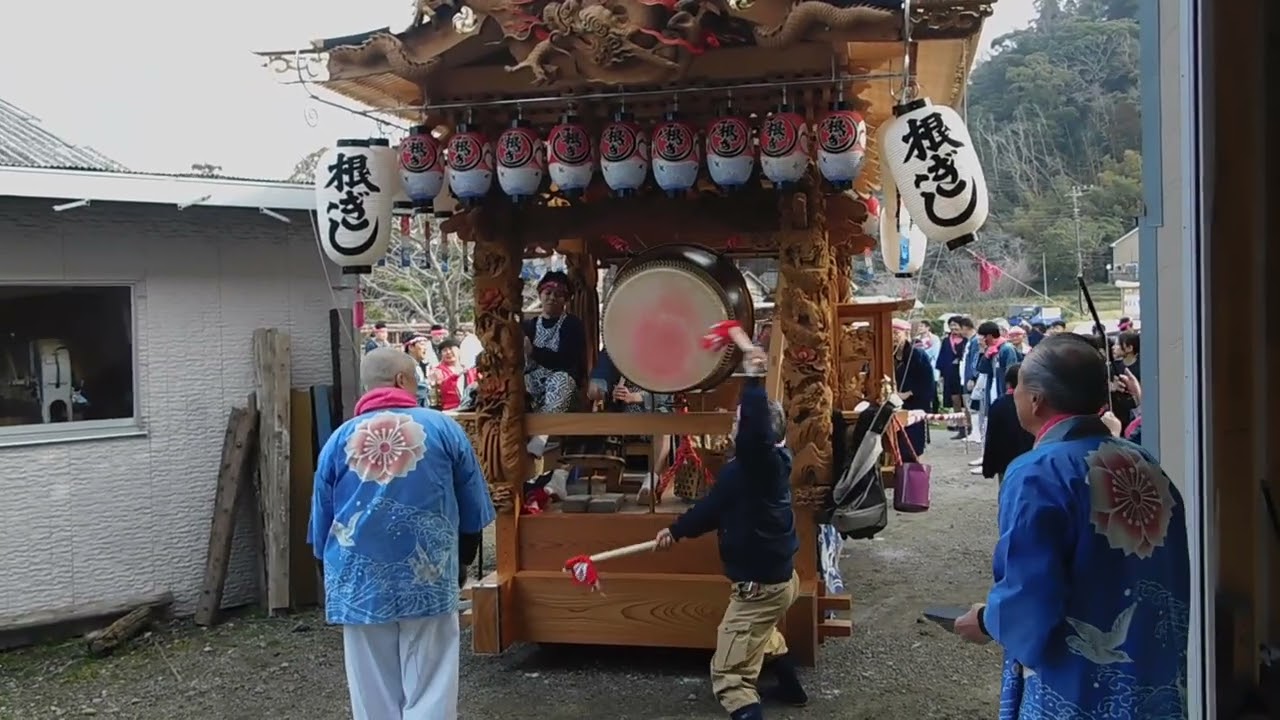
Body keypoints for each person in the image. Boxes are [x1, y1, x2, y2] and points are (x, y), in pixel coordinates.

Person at [953, 333, 1189, 718]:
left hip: (1077, 684)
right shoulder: (1145, 464)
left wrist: (986, 620)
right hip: (1153, 670)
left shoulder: (1037, 473)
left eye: (1019, 388)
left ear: (1035, 399)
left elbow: (1029, 590)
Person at [308, 348, 496, 720]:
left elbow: (320, 524)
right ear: (401, 381)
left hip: (358, 580)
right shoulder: (444, 428)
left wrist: (331, 578)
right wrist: (461, 560)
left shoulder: (337, 440)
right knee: (431, 680)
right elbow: (473, 510)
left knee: (371, 686)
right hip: (429, 571)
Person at [655, 347, 804, 720]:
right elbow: (712, 510)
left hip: (759, 586)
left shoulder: (757, 465)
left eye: (738, 421)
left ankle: (748, 707)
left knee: (730, 674)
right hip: (780, 581)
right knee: (761, 634)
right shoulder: (762, 469)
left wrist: (752, 378)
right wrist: (676, 531)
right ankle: (791, 689)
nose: (732, 426)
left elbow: (753, 436)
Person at [587, 347, 674, 503]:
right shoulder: (616, 346)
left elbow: (668, 390)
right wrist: (604, 392)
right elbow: (599, 382)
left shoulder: (661, 346)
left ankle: (651, 481)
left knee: (663, 421)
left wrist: (636, 397)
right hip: (623, 414)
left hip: (653, 410)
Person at [523, 270, 588, 457]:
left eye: (558, 295)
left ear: (566, 300)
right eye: (548, 293)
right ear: (540, 295)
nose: (552, 298)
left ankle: (542, 435)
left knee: (561, 379)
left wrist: (534, 352)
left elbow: (566, 360)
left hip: (563, 388)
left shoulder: (572, 325)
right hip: (534, 383)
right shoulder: (528, 326)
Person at [980, 362, 1034, 483]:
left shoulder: (999, 405)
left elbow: (992, 437)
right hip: (1030, 458)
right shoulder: (1035, 403)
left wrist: (988, 467)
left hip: (1006, 462)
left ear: (1007, 383)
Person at [892, 318, 936, 461]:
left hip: (914, 404)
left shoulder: (917, 355)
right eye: (890, 334)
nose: (893, 338)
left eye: (896, 334)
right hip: (893, 403)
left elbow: (927, 381)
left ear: (906, 334)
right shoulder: (886, 355)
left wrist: (909, 393)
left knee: (912, 445)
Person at [935, 317, 967, 435]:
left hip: (962, 374)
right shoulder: (946, 340)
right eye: (951, 325)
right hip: (950, 374)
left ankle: (969, 425)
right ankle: (960, 426)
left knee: (965, 400)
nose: (953, 328)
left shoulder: (966, 341)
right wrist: (942, 374)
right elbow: (942, 357)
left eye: (956, 325)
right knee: (955, 400)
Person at [431, 338, 479, 412]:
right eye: (444, 350)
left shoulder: (470, 370)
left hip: (470, 408)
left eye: (451, 348)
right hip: (449, 410)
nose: (448, 352)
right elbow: (442, 387)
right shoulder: (436, 371)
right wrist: (455, 376)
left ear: (459, 351)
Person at [403, 333, 437, 407]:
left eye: (425, 345)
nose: (425, 348)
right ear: (411, 347)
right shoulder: (407, 367)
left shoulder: (417, 366)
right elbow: (415, 391)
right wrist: (428, 382)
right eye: (422, 344)